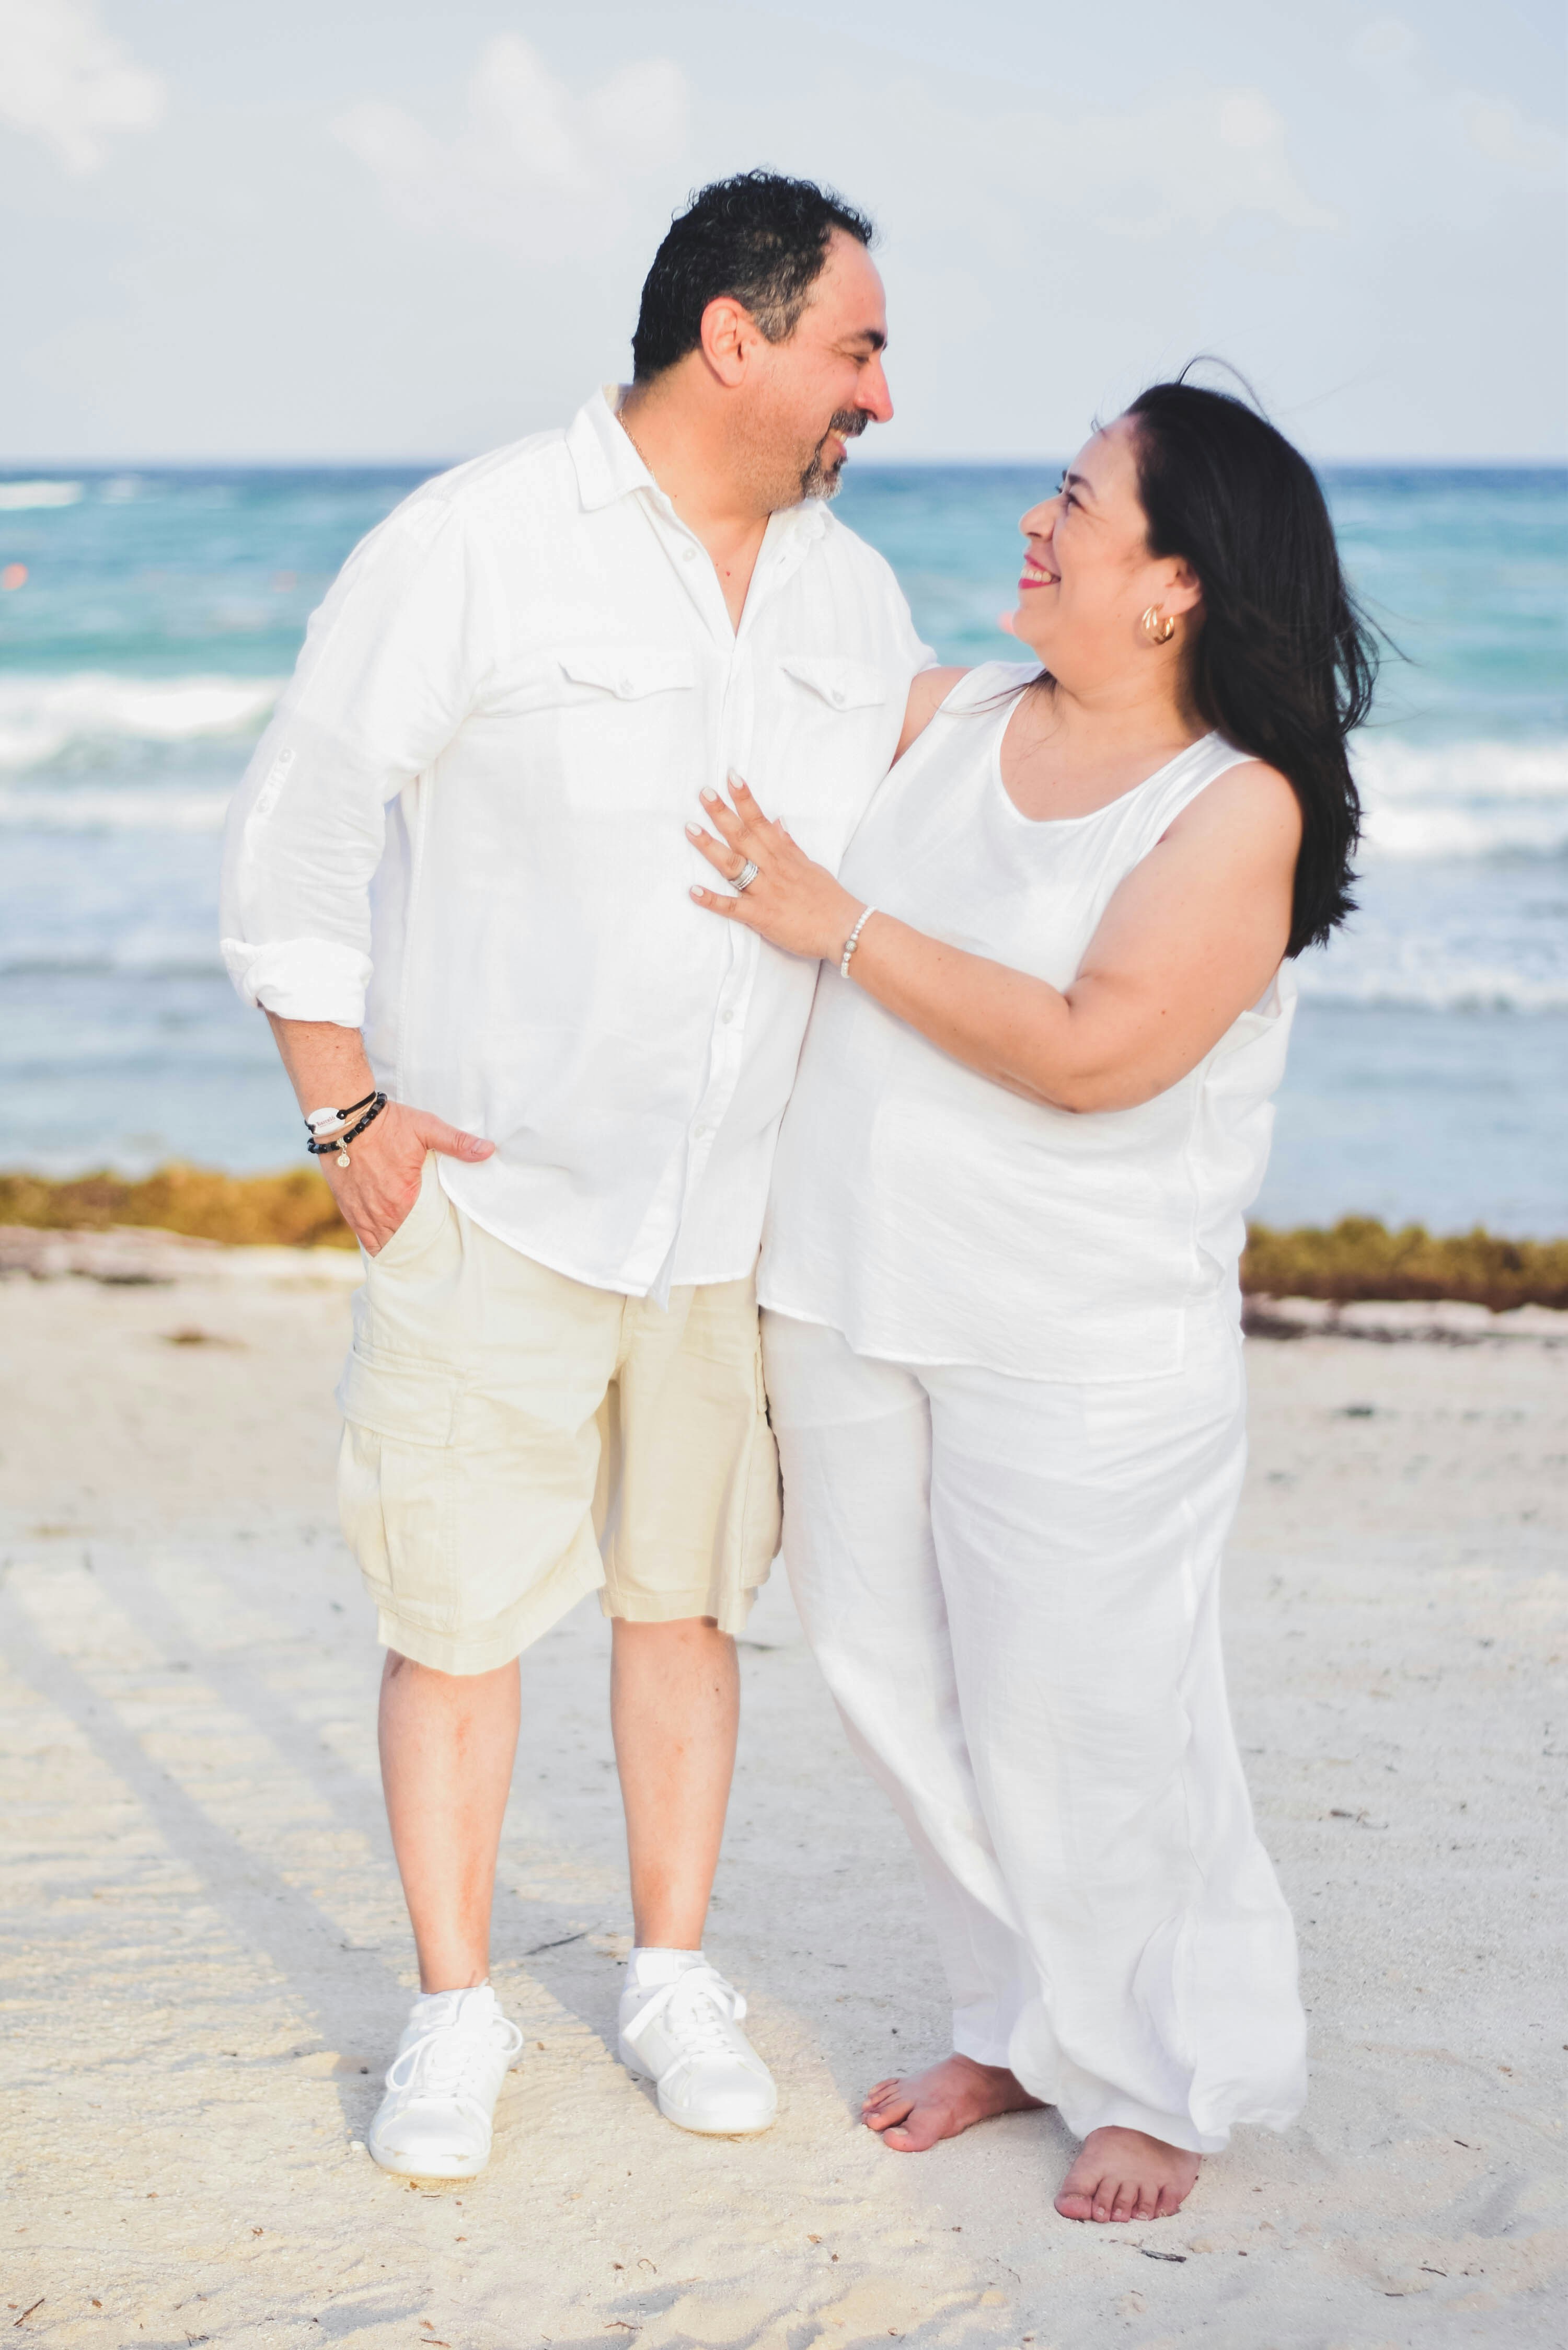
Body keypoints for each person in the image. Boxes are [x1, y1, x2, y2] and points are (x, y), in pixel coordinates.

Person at [218, 171, 932, 2179]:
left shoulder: (848, 597)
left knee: (683, 1608)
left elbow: (911, 838)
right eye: (857, 349)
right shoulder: (478, 542)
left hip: (724, 1222)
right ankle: (455, 2014)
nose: (885, 394)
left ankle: (670, 1972)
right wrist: (346, 1111)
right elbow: (305, 818)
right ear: (738, 337)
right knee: (455, 1621)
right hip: (498, 1195)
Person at [683, 379, 1373, 2222]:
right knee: (895, 1683)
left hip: (1080, 1344)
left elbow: (1094, 1056)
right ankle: (1013, 2021)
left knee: (1090, 1718)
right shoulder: (952, 713)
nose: (1034, 523)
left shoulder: (1238, 809)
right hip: (845, 1291)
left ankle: (1157, 2074)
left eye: (1076, 500)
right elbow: (734, 686)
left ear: (1175, 587)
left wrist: (843, 925)